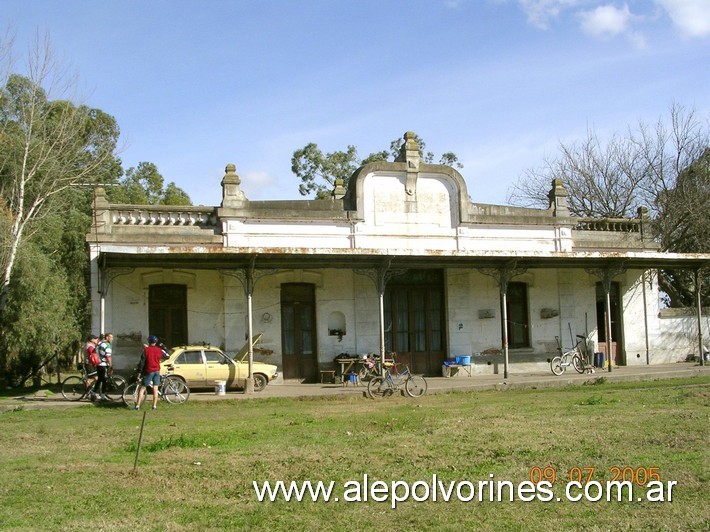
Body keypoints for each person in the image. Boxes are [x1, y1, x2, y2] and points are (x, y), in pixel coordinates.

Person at [135, 335, 166, 410]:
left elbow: (142, 362)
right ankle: (154, 406)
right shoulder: (159, 350)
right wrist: (164, 348)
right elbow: (167, 356)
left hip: (149, 371)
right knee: (155, 388)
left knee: (142, 388)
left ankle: (137, 405)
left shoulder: (146, 350)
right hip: (157, 371)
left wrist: (139, 372)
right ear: (156, 342)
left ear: (149, 341)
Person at [95, 332, 113, 401]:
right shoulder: (107, 345)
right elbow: (108, 356)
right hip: (103, 364)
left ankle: (93, 393)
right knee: (104, 380)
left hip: (98, 363)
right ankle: (102, 396)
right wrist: (111, 365)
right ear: (107, 337)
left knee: (99, 379)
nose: (112, 339)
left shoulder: (100, 343)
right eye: (111, 337)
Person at [83, 335, 100, 400]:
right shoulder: (90, 346)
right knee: (91, 379)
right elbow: (93, 355)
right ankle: (88, 394)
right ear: (92, 340)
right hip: (89, 364)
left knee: (95, 378)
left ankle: (91, 393)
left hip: (90, 364)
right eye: (95, 339)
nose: (96, 340)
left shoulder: (89, 344)